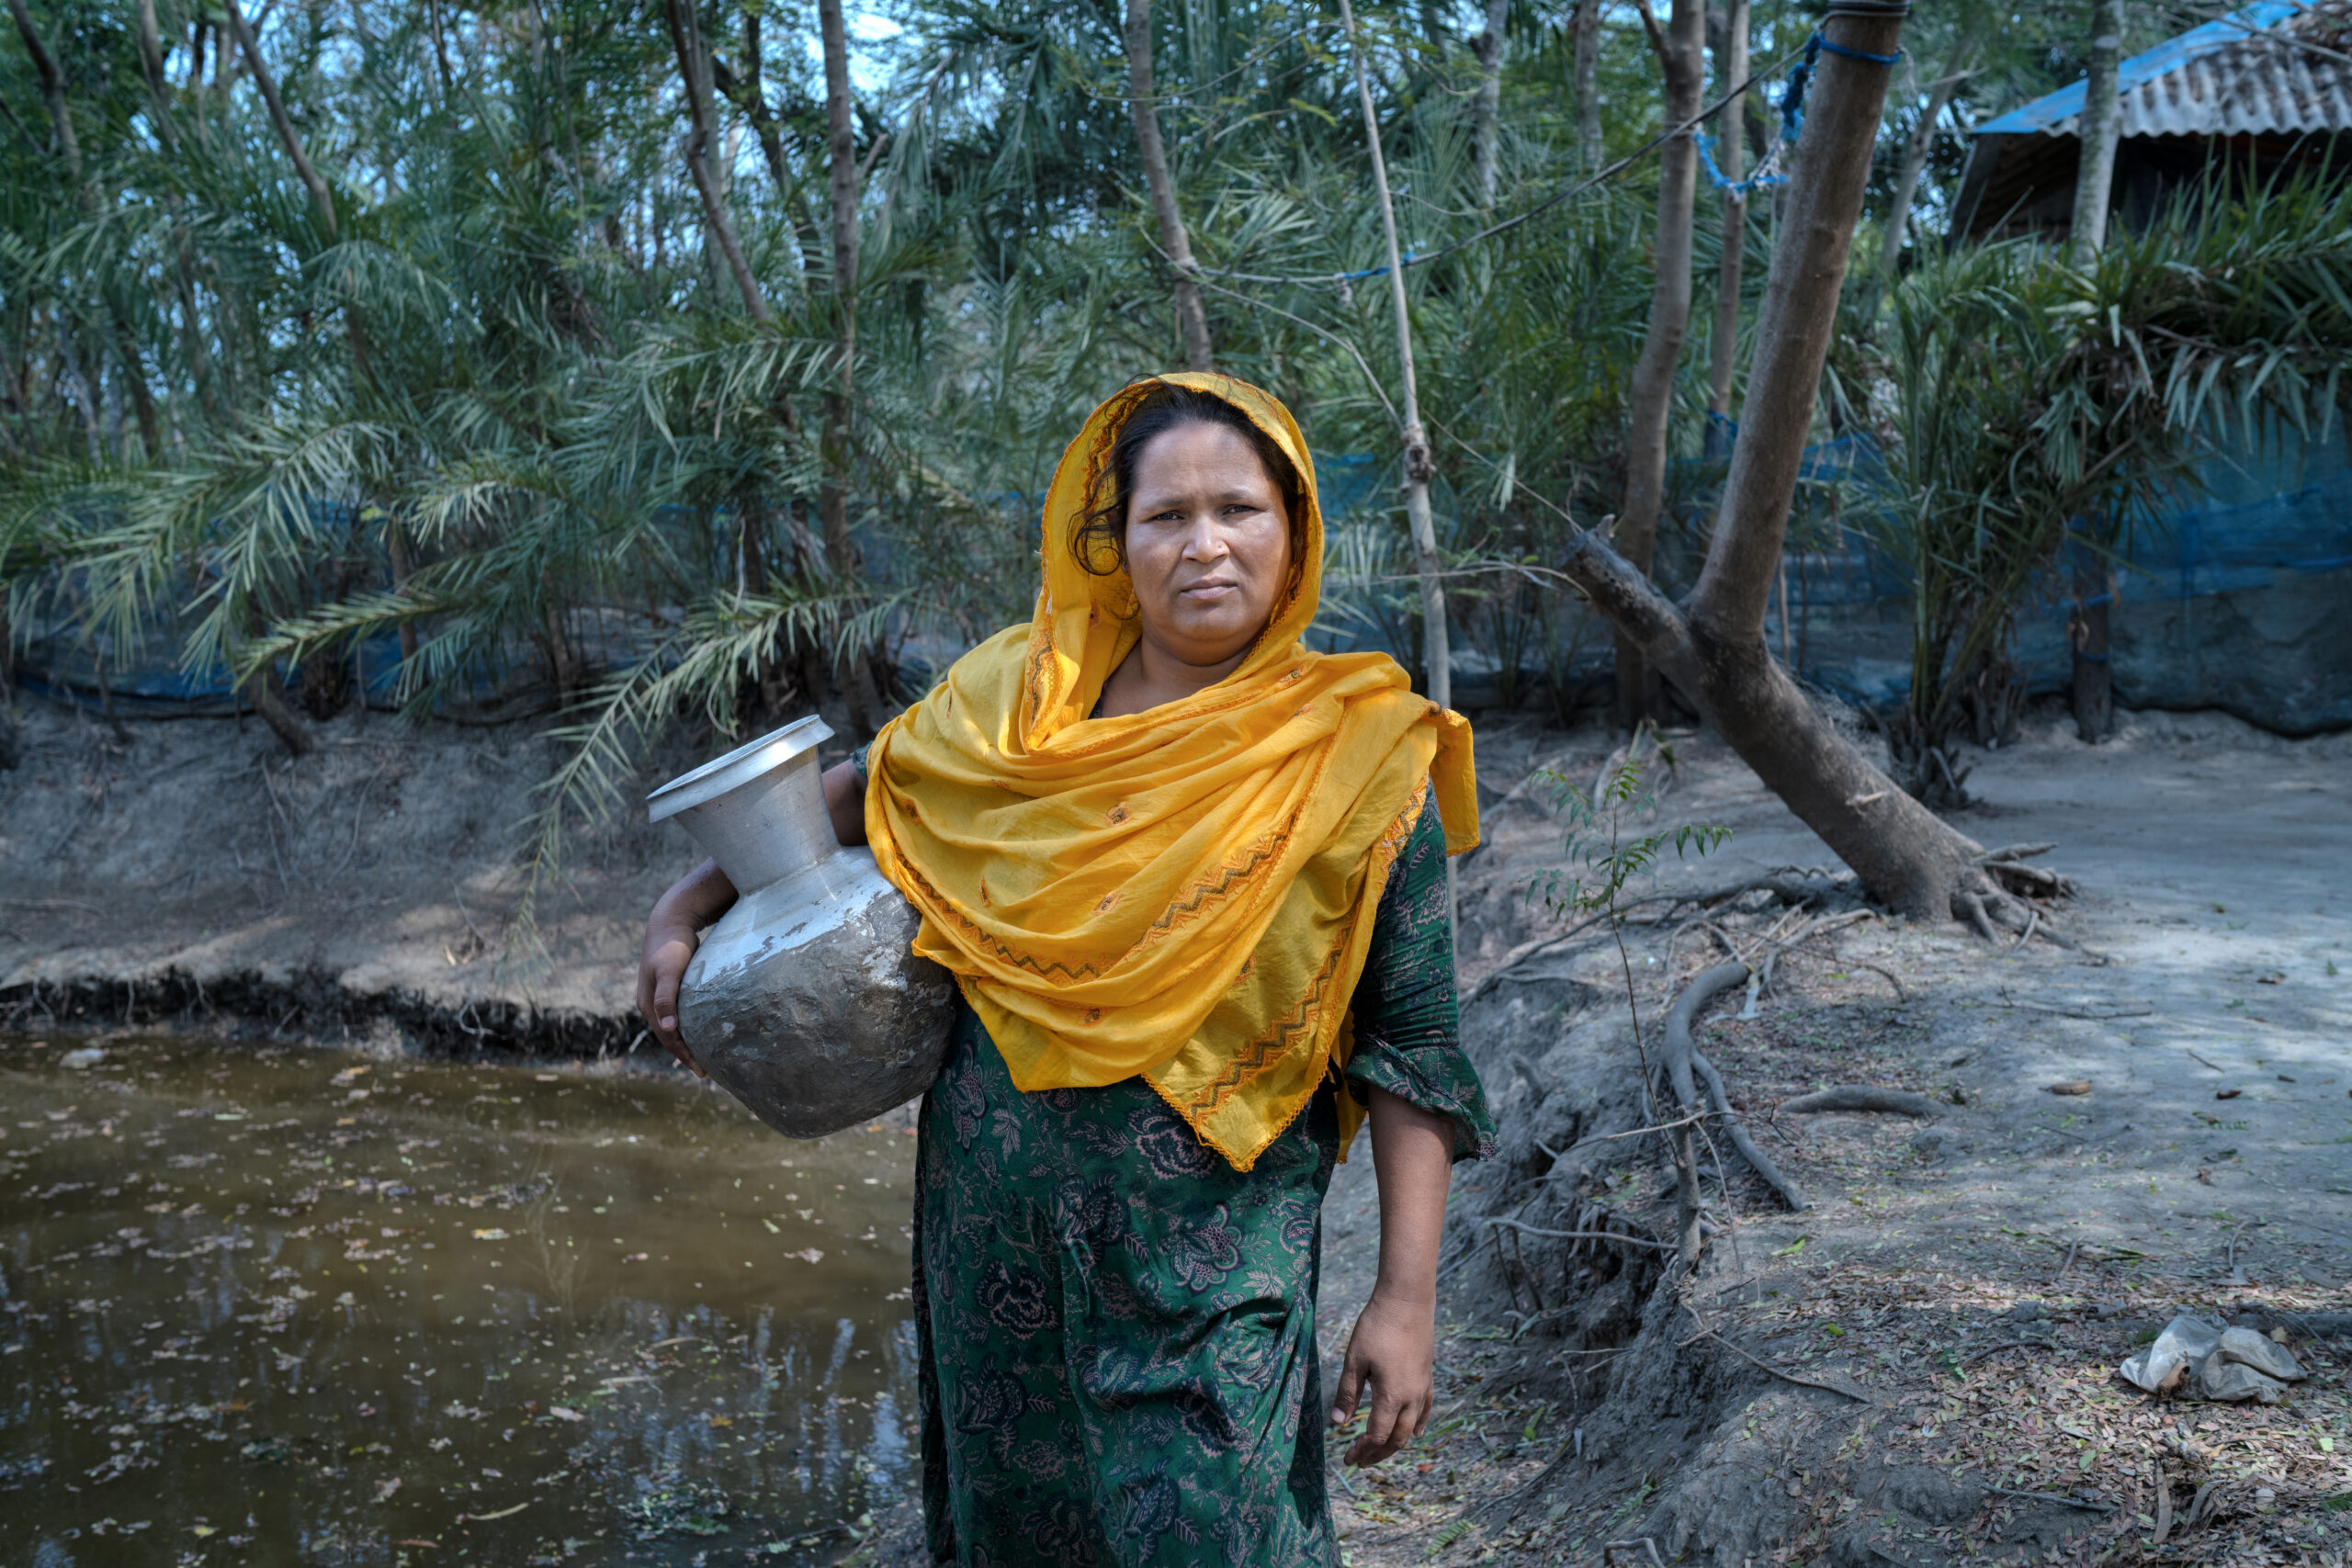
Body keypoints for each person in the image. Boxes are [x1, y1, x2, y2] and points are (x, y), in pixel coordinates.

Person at [638, 372, 1493, 1566]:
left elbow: (1415, 1047)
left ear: (1295, 530)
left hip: (1211, 1263)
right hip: (997, 1253)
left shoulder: (1361, 756)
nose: (1206, 546)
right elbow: (864, 795)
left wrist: (1405, 1301)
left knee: (1220, 1536)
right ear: (1115, 541)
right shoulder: (1019, 708)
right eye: (1166, 516)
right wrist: (688, 905)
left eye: (1240, 510)